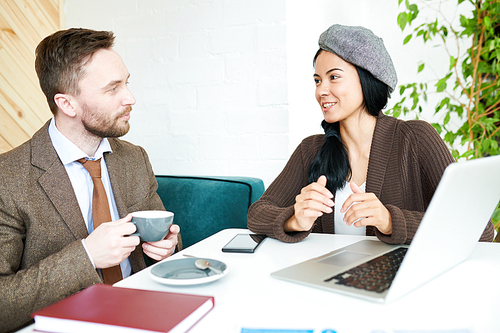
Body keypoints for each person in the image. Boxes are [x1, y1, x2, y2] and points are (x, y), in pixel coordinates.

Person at [0, 28, 180, 332]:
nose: (130, 98)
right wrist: (86, 255)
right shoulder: (8, 178)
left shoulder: (134, 159)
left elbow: (163, 249)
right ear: (67, 104)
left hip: (143, 313)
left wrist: (166, 248)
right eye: (113, 89)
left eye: (127, 83)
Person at [247, 24, 494, 244]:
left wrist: (389, 221)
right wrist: (294, 220)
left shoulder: (415, 139)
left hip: (399, 284)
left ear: (368, 79)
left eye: (334, 77)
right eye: (317, 80)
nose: (321, 90)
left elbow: (481, 229)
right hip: (327, 284)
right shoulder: (310, 150)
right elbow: (257, 214)